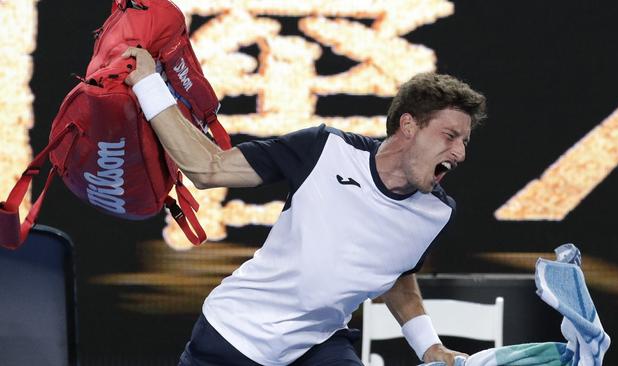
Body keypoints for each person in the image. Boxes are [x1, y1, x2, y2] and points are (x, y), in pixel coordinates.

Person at [122, 46, 487, 366]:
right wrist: (147, 84)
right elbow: (207, 168)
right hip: (234, 335)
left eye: (466, 142)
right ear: (408, 125)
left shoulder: (436, 213)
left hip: (318, 344)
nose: (460, 153)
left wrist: (429, 347)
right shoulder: (325, 149)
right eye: (450, 135)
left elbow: (397, 275)